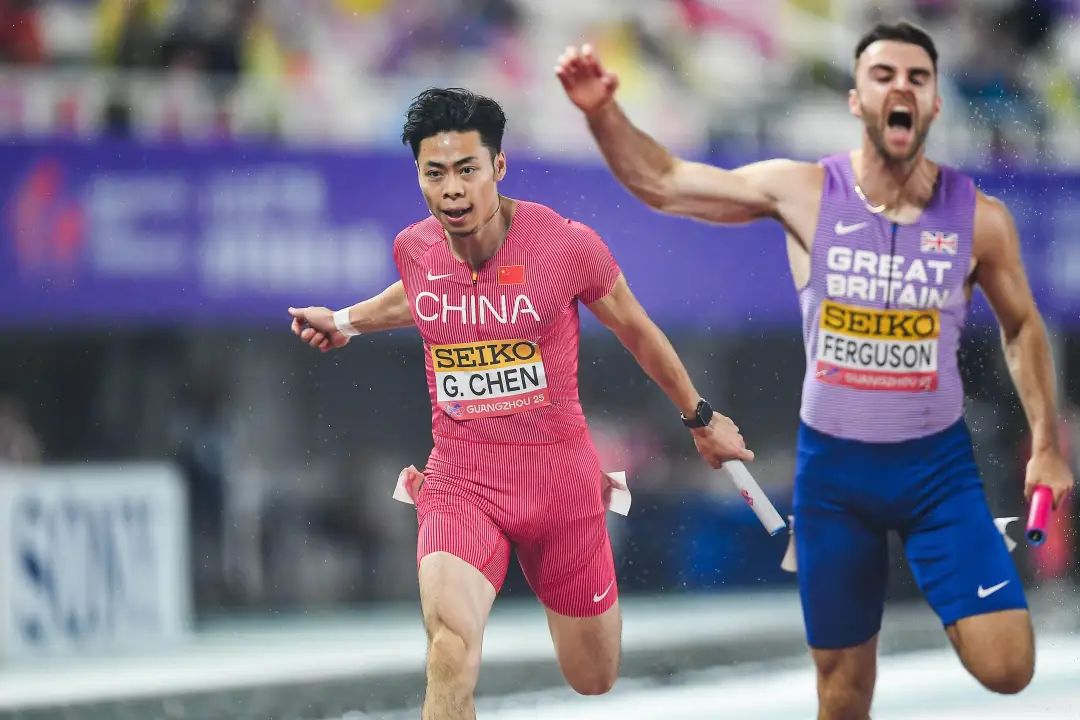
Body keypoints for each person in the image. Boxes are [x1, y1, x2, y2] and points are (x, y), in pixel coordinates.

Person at [556, 19, 1075, 720]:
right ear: (857, 99)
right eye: (883, 76)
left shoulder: (981, 219)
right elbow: (667, 182)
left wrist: (1045, 444)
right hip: (836, 478)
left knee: (1009, 666)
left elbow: (1023, 326)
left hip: (936, 472)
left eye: (917, 78)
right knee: (842, 692)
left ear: (934, 101)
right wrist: (603, 113)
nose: (901, 88)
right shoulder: (805, 191)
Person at [287, 87, 753, 720]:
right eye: (434, 173)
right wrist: (345, 321)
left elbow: (637, 330)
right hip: (462, 481)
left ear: (498, 166)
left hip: (559, 486)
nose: (452, 189)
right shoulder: (414, 247)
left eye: (466, 169)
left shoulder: (565, 246)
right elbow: (419, 294)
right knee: (449, 649)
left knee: (593, 676)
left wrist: (701, 418)